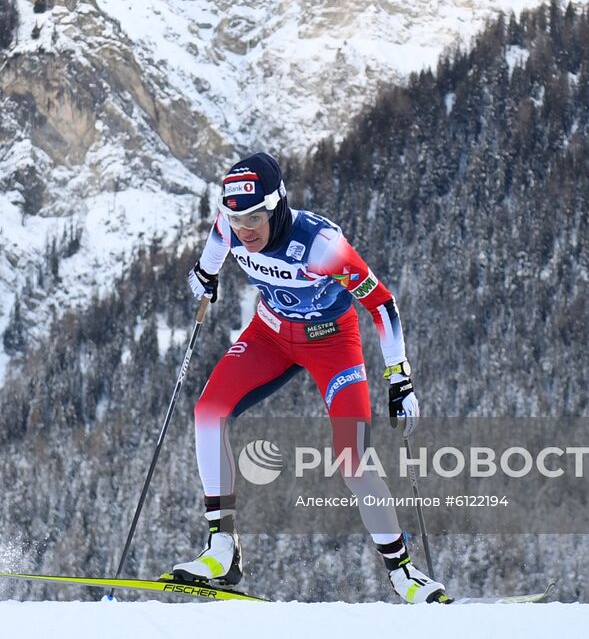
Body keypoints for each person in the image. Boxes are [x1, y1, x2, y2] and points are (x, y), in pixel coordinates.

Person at [166, 152, 447, 603]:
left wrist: (400, 378)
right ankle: (222, 547)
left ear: (277, 205)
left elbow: (382, 304)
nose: (245, 229)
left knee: (351, 456)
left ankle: (402, 572)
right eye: (237, 219)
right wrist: (206, 273)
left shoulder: (321, 244)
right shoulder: (232, 223)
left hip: (332, 341)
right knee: (207, 413)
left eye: (255, 216)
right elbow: (219, 240)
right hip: (270, 335)